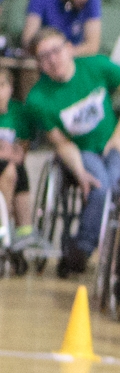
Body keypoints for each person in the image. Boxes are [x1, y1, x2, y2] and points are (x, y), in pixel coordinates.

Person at [24, 27, 120, 276]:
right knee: (101, 186)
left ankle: (117, 252)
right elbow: (62, 143)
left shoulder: (97, 66)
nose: (52, 60)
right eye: (44, 57)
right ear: (39, 64)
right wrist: (79, 172)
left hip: (112, 143)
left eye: (56, 51)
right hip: (80, 152)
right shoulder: (38, 99)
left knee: (117, 185)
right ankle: (82, 248)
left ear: (69, 49)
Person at [23, 0, 103, 57]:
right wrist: (51, 54)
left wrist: (62, 55)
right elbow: (28, 40)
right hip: (44, 57)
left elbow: (92, 46)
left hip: (74, 58)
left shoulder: (92, 0)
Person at [0, 66, 40, 252]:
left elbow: (22, 147)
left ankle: (25, 229)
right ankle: (3, 227)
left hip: (9, 162)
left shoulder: (18, 113)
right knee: (9, 171)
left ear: (10, 88)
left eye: (2, 85)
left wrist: (15, 152)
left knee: (17, 168)